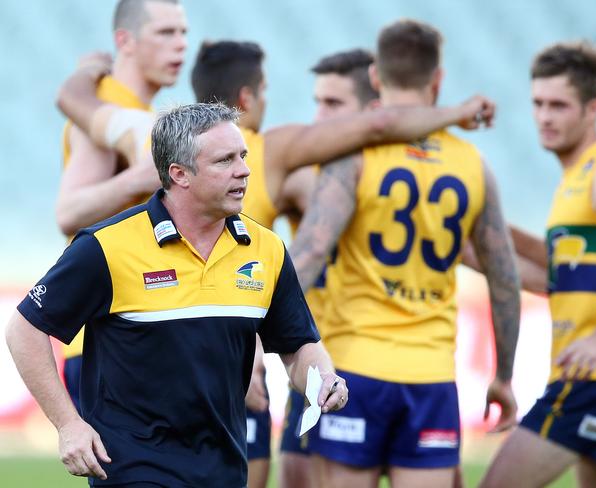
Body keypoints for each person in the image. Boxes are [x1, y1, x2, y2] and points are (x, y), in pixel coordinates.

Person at [57, 39, 496, 488]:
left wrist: (88, 71)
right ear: (247, 99)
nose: (241, 170)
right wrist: (457, 115)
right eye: (227, 160)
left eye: (332, 103)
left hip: (220, 357)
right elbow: (379, 126)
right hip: (176, 355)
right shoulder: (279, 152)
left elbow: (71, 114)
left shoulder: (144, 132)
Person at [5, 102, 349, 488]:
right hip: (132, 467)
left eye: (242, 156)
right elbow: (24, 328)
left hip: (223, 468)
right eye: (224, 160)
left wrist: (324, 379)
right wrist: (69, 424)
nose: (243, 170)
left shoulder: (266, 249)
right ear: (179, 174)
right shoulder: (106, 246)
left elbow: (299, 346)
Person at [290, 19, 521, 488]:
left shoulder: (353, 156)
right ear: (438, 81)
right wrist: (504, 375)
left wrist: (255, 339)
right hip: (432, 376)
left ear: (375, 78)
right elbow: (504, 279)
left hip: (354, 372)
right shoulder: (474, 166)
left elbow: (308, 255)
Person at [480, 41, 596, 488]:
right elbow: (558, 276)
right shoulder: (574, 182)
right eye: (538, 103)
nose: (544, 116)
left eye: (559, 105)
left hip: (593, 379)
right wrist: (478, 234)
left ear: (592, 109)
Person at [55, 0, 188, 415]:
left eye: (183, 33)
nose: (181, 46)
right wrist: (143, 177)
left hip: (137, 326)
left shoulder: (136, 112)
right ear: (124, 41)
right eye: (166, 33)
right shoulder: (108, 107)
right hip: (109, 336)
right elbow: (69, 212)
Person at [278, 48, 379, 488]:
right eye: (318, 101)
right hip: (316, 359)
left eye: (334, 104)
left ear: (373, 112)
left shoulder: (386, 177)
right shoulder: (304, 175)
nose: (319, 115)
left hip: (374, 363)